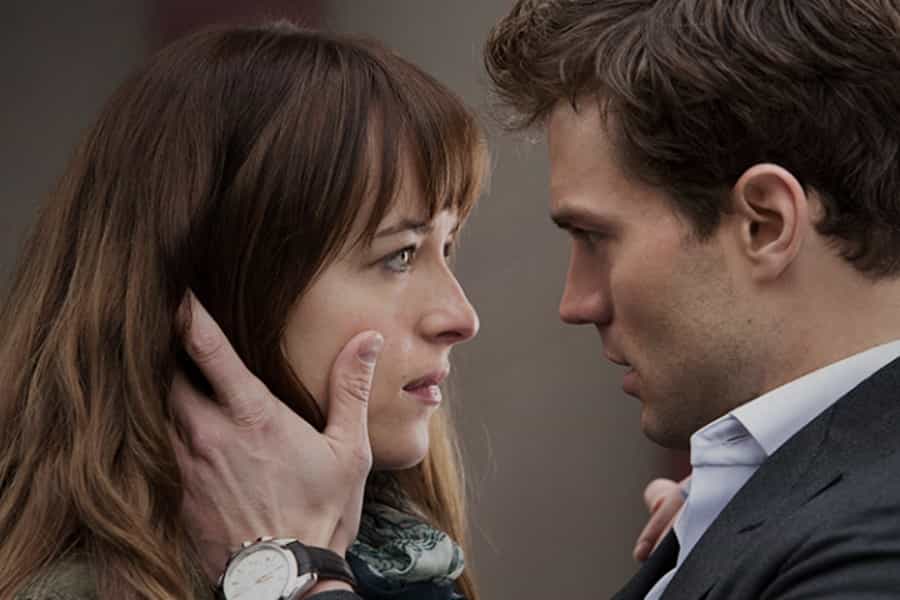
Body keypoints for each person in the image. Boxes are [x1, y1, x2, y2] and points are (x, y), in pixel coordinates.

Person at [0, 22, 488, 600]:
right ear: (223, 293)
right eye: (399, 254)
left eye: (447, 247)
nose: (460, 317)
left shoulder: (407, 564)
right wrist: (295, 570)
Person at [482, 0, 900, 598]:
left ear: (764, 224)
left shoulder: (870, 547)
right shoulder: (798, 494)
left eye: (595, 237)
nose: (576, 303)